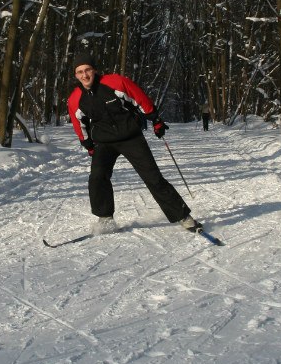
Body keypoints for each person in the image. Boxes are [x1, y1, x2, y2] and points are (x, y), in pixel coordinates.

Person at [68, 52, 199, 232]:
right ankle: (105, 217)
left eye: (87, 70)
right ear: (76, 75)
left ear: (94, 70)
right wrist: (88, 145)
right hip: (104, 142)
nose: (84, 75)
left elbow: (139, 98)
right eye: (80, 72)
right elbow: (79, 124)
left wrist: (156, 119)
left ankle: (183, 216)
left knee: (153, 177)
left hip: (131, 137)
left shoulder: (115, 82)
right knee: (97, 177)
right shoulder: (75, 98)